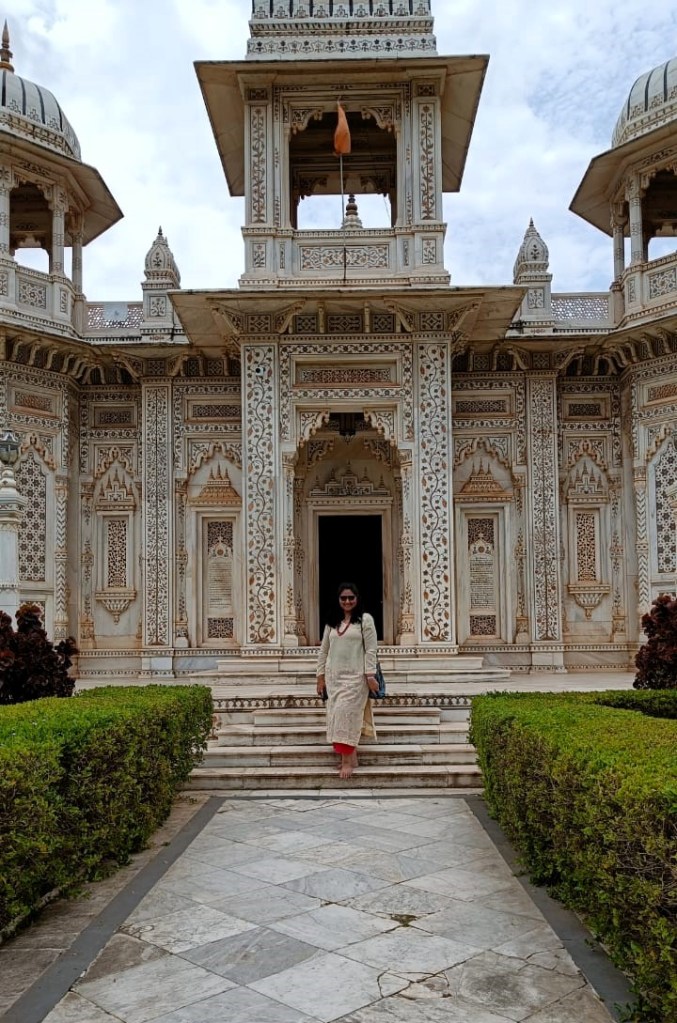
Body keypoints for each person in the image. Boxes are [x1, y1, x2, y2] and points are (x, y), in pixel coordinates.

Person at [316, 582, 379, 780]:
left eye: (351, 597)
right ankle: (352, 758)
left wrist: (370, 675)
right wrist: (320, 677)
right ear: (338, 600)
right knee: (338, 716)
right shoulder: (332, 622)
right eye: (343, 598)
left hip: (356, 677)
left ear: (357, 599)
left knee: (346, 715)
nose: (347, 601)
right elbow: (323, 650)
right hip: (334, 677)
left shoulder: (365, 620)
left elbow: (371, 649)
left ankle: (345, 762)